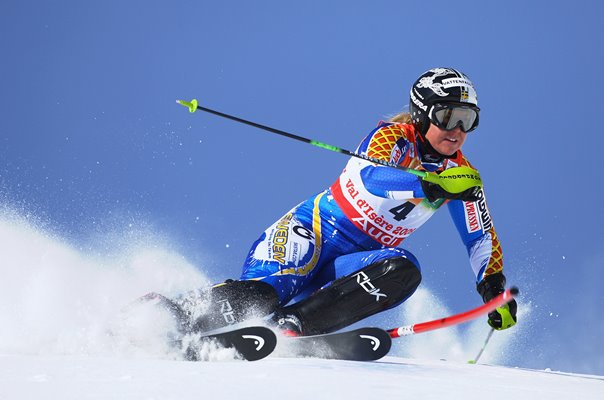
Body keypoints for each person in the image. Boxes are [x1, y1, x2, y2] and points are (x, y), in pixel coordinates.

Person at [169, 67, 517, 337]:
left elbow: (480, 237)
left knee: (403, 271)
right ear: (422, 114)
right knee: (264, 296)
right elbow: (372, 179)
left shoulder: (461, 175)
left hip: (351, 264)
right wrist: (432, 187)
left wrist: (492, 289)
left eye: (467, 119)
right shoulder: (392, 138)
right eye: (447, 117)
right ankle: (170, 315)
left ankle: (296, 325)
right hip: (310, 234)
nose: (456, 129)